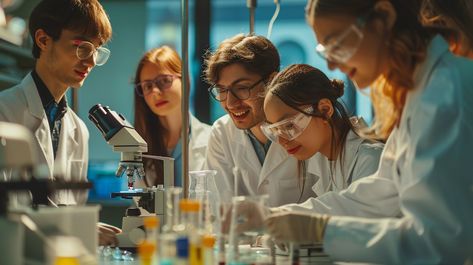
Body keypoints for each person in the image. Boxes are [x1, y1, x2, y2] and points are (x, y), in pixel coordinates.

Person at [261, 0, 473, 263]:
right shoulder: (418, 94)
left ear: (382, 17)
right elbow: (379, 194)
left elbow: (438, 243)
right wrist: (282, 218)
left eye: (337, 43)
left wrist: (321, 231)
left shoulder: (444, 92)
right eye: (325, 50)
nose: (332, 64)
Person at [0, 0, 119, 246]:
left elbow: (73, 208)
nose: (91, 61)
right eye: (81, 47)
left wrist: (80, 227)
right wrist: (74, 228)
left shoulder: (79, 130)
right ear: (43, 40)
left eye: (97, 50)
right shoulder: (4, 112)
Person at [203, 34, 316, 207]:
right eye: (222, 90)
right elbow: (218, 207)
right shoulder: (222, 132)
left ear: (271, 80)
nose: (231, 103)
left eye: (242, 88)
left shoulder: (306, 126)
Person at [262, 63, 383, 197]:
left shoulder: (372, 160)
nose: (282, 141)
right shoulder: (322, 160)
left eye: (289, 126)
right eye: (275, 130)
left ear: (325, 110)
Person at [132, 46, 211, 187]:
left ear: (185, 81)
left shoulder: (212, 139)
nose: (155, 91)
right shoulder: (140, 149)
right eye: (147, 86)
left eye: (164, 80)